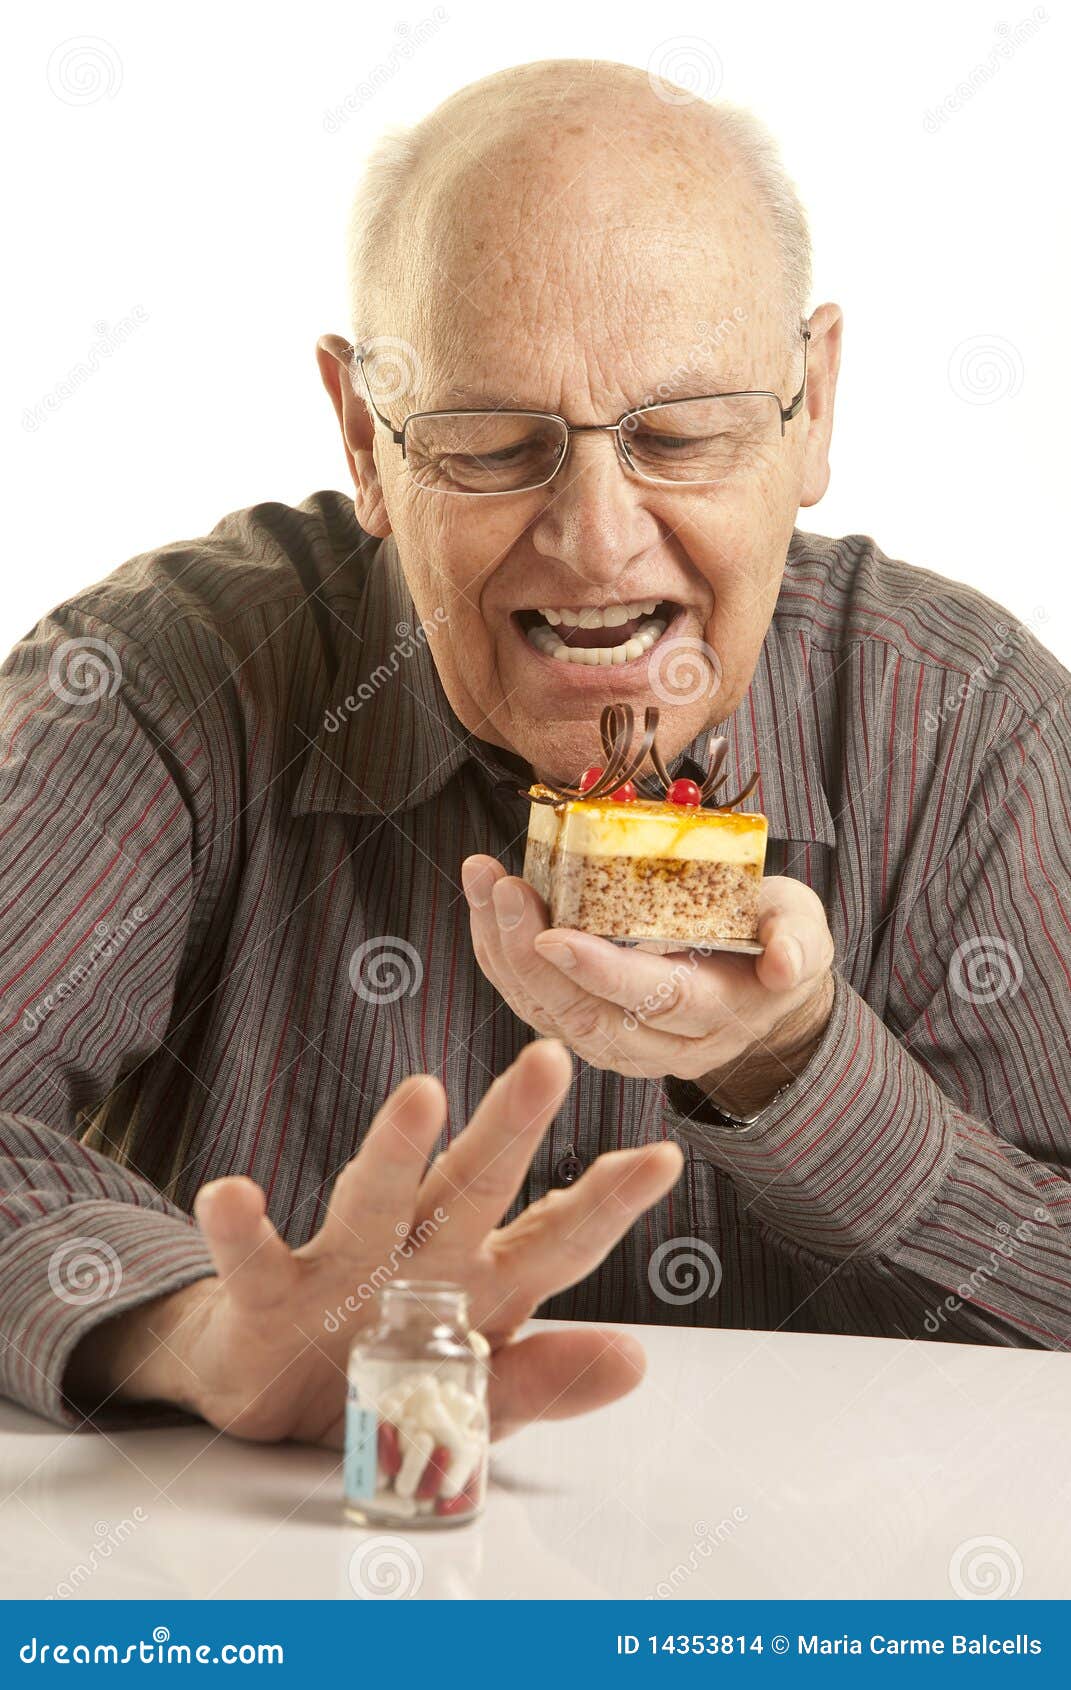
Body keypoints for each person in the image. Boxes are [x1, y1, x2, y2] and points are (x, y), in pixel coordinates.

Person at [2, 60, 1069, 1455]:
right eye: (494, 443)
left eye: (679, 432)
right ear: (363, 438)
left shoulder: (971, 727)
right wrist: (190, 1328)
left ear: (812, 405)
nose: (596, 537)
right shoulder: (164, 680)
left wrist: (796, 1069)